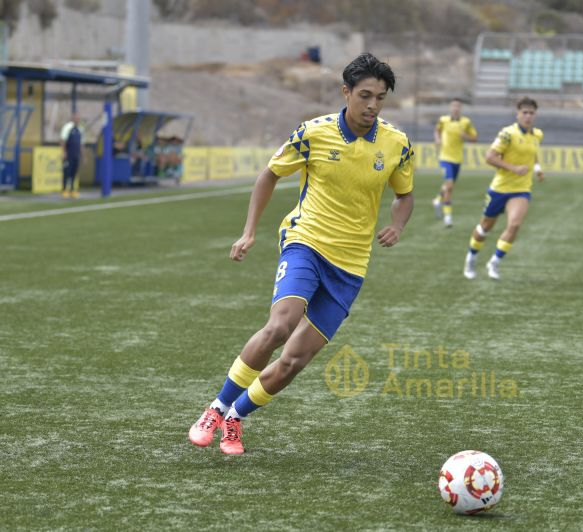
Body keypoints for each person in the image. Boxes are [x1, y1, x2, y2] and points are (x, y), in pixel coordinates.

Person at [188, 53, 414, 455]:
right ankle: (216, 408)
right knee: (280, 326)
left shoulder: (396, 144)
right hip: (306, 241)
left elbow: (405, 195)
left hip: (350, 265)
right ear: (346, 92)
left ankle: (236, 419)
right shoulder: (314, 133)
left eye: (380, 98)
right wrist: (249, 232)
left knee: (294, 361)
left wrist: (397, 225)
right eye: (365, 95)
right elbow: (270, 174)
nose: (372, 105)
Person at [463, 97, 543, 280]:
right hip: (500, 188)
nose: (528, 116)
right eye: (525, 112)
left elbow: (533, 154)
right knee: (484, 229)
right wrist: (514, 168)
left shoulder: (537, 135)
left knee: (514, 224)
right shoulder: (507, 134)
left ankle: (494, 262)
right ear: (518, 114)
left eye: (531, 113)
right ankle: (471, 257)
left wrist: (538, 169)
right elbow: (490, 157)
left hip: (522, 189)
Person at [432, 98, 477, 227]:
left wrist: (466, 137)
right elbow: (437, 130)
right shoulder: (443, 120)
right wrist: (437, 139)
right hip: (445, 158)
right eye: (453, 106)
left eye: (458, 106)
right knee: (450, 186)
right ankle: (448, 217)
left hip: (458, 159)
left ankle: (437, 200)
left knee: (448, 186)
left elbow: (474, 138)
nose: (455, 108)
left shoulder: (466, 122)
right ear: (450, 107)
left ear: (461, 108)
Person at [60, 112, 85, 199]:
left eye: (79, 118)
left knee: (74, 173)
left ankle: (72, 190)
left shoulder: (81, 129)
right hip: (69, 154)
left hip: (76, 154)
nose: (77, 120)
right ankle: (64, 190)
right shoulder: (68, 127)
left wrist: (82, 155)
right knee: (67, 172)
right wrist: (64, 152)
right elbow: (63, 140)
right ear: (73, 118)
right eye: (76, 118)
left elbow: (81, 144)